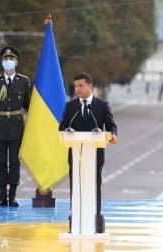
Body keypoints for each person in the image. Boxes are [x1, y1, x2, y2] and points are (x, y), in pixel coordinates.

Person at [59, 72, 117, 233]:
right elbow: (62, 126)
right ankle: (75, 214)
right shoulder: (71, 106)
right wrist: (66, 130)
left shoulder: (101, 105)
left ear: (90, 86)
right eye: (75, 86)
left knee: (95, 182)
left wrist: (113, 135)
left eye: (81, 85)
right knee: (75, 183)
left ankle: (96, 215)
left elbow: (112, 126)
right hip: (75, 152)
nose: (77, 89)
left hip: (95, 152)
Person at [0, 46, 32, 207]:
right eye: (5, 59)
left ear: (16, 62)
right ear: (1, 62)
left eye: (11, 59)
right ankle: (1, 196)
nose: (8, 61)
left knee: (14, 163)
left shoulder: (23, 81)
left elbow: (29, 106)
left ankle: (12, 196)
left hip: (16, 128)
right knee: (0, 163)